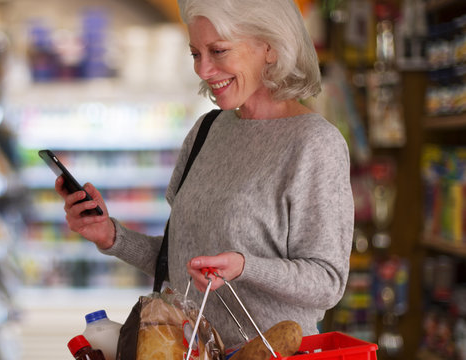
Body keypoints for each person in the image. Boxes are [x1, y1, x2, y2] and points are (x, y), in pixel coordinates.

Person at [54, 0, 354, 352]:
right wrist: (111, 236)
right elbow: (180, 265)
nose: (204, 69)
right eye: (196, 53)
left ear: (270, 48)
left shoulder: (315, 143)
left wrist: (245, 267)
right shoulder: (206, 130)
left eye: (218, 51)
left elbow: (328, 282)